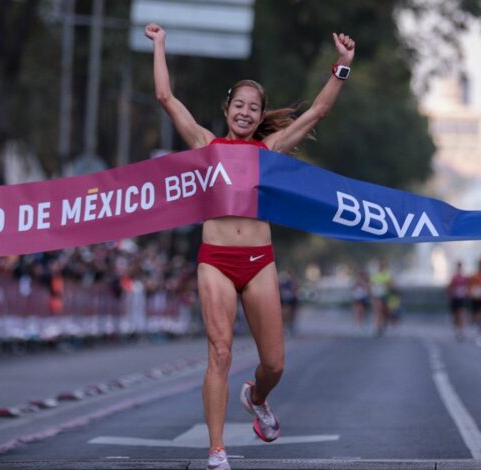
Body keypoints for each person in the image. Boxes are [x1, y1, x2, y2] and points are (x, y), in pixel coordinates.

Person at [145, 23, 355, 470]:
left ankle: (257, 396)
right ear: (226, 109)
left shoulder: (270, 149)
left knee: (274, 364)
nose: (244, 112)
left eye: (253, 108)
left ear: (260, 117)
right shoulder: (205, 144)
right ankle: (216, 450)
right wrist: (161, 45)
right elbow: (167, 98)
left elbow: (316, 113)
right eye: (238, 105)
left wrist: (342, 67)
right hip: (215, 261)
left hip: (259, 262)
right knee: (219, 352)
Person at [447, 261, 469, 341]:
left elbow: (467, 287)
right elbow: (449, 287)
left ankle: (460, 330)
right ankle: (456, 326)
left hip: (461, 298)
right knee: (456, 314)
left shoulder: (464, 277)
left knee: (461, 314)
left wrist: (466, 293)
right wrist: (450, 293)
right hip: (455, 298)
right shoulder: (454, 277)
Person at [351, 269, 371, 333]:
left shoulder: (367, 281)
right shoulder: (357, 281)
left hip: (363, 297)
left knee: (362, 311)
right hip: (357, 297)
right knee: (358, 310)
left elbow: (369, 290)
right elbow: (352, 287)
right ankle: (358, 323)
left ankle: (360, 323)